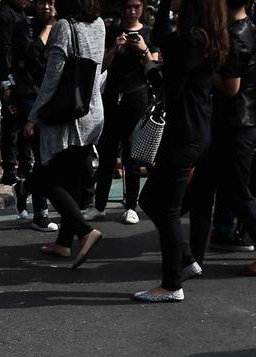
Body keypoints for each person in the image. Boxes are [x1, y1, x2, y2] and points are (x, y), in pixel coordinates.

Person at [134, 0, 228, 301]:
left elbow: (169, 82)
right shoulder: (208, 37)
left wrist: (150, 67)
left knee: (168, 208)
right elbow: (164, 38)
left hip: (184, 133)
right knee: (150, 199)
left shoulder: (191, 39)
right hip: (197, 129)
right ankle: (186, 259)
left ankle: (172, 284)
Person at [186, 0, 256, 276]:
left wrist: (205, 70)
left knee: (236, 192)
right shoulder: (246, 28)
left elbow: (230, 87)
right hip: (235, 125)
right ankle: (194, 258)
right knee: (205, 190)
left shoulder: (236, 36)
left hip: (235, 127)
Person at [27, 0, 106, 267]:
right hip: (92, 109)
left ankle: (84, 232)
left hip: (67, 117)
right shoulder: (99, 23)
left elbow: (53, 76)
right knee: (70, 179)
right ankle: (63, 243)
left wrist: (33, 116)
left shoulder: (64, 26)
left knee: (46, 179)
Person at [91, 0, 154, 224]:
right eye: (127, 6)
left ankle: (131, 205)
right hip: (112, 96)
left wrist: (144, 48)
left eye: (136, 6)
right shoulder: (112, 32)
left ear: (143, 8)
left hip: (137, 97)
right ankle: (99, 205)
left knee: (132, 154)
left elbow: (154, 67)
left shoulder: (148, 32)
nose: (132, 11)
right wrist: (114, 48)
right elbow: (101, 66)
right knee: (107, 152)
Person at [10, 0, 56, 228]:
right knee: (42, 154)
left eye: (51, 2)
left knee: (55, 157)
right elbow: (33, 58)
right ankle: (41, 212)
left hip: (57, 97)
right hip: (31, 95)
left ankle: (24, 188)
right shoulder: (24, 26)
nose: (47, 7)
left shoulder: (65, 27)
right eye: (43, 2)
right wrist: (47, 29)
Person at [0, 0, 30, 185]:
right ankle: (9, 169)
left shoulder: (20, 11)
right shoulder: (4, 15)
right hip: (10, 76)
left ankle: (25, 164)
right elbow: (3, 52)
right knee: (12, 123)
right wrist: (7, 83)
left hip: (22, 75)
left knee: (23, 121)